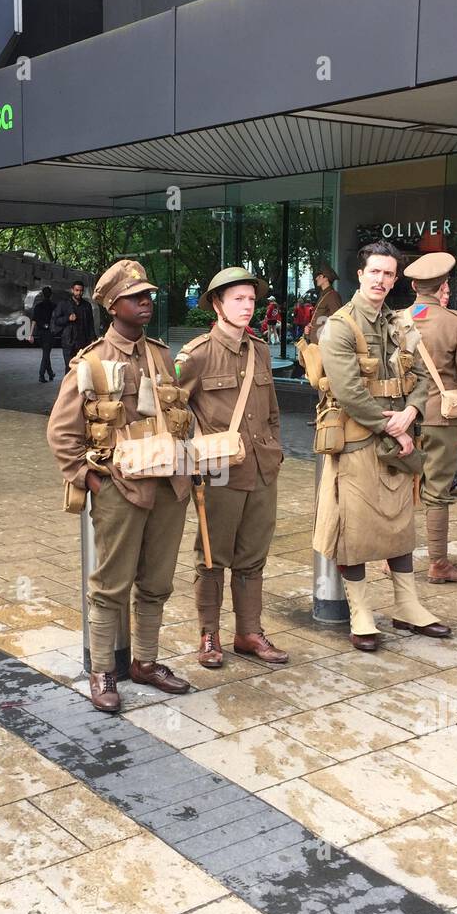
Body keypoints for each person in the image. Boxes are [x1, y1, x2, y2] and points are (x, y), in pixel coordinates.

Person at [46, 259, 194, 713]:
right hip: (121, 490)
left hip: (167, 488)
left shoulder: (162, 355)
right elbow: (61, 433)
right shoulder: (91, 362)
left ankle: (145, 662)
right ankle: (103, 670)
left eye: (148, 295)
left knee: (157, 582)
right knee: (110, 586)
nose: (146, 302)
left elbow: (178, 415)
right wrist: (92, 480)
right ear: (113, 306)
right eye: (135, 297)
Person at [314, 240, 450, 649]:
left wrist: (412, 411)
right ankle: (360, 612)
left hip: (397, 440)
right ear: (360, 274)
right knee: (354, 530)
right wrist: (393, 427)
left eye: (388, 274)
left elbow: (423, 376)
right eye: (374, 271)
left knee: (400, 526)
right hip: (357, 440)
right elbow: (349, 391)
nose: (381, 279)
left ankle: (407, 606)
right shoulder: (340, 325)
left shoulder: (400, 324)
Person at [178, 267, 289, 667]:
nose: (247, 306)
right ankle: (209, 635)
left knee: (253, 557)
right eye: (238, 299)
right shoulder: (196, 355)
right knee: (212, 556)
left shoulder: (260, 350)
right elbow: (171, 413)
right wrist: (190, 459)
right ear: (217, 304)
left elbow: (272, 411)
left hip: (262, 469)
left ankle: (249, 632)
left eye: (251, 299)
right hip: (220, 473)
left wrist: (275, 451)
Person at [399, 252, 457, 583]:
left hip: (402, 417)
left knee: (399, 488)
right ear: (444, 286)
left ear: (415, 286)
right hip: (440, 417)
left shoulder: (397, 319)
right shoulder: (454, 322)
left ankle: (391, 559)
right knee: (437, 491)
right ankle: (439, 564)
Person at [54, 281, 95, 363]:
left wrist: (93, 338)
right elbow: (56, 320)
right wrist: (67, 318)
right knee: (69, 366)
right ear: (72, 290)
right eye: (77, 290)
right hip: (68, 342)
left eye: (81, 291)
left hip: (83, 342)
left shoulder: (87, 305)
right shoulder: (64, 304)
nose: (79, 293)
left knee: (82, 366)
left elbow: (90, 323)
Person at [33, 286, 57, 382]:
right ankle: (41, 374)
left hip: (40, 333)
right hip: (49, 333)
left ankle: (50, 373)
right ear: (51, 295)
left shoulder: (38, 306)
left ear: (42, 295)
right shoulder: (54, 306)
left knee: (46, 353)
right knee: (46, 354)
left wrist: (30, 334)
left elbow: (34, 320)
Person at [311, 264, 342, 333]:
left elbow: (338, 320)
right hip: (316, 337)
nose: (316, 278)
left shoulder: (333, 296)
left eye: (320, 276)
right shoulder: (323, 295)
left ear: (326, 278)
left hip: (324, 337)